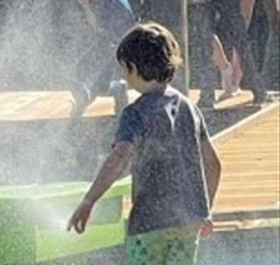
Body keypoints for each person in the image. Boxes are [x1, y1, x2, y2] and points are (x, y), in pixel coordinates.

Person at [68, 22, 222, 265]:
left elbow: (119, 158)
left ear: (132, 68)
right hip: (186, 224)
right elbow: (213, 164)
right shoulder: (189, 108)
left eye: (124, 70)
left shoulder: (136, 113)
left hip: (149, 224)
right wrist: (204, 211)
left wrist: (89, 200)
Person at [71, 0, 137, 117]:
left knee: (91, 78)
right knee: (82, 75)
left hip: (118, 46)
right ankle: (99, 95)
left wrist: (85, 6)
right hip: (111, 43)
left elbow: (98, 27)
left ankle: (116, 93)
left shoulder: (113, 0)